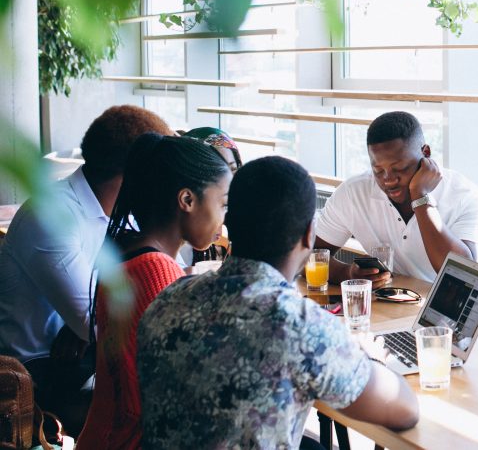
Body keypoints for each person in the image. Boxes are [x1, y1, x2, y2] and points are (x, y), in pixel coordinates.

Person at [137, 156, 419, 449]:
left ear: (229, 224)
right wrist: (369, 356)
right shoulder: (299, 326)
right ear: (309, 235)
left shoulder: (167, 299)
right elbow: (405, 411)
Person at [0, 105, 173, 432]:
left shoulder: (122, 214)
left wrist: (86, 320)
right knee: (161, 416)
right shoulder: (51, 214)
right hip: (36, 379)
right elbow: (108, 328)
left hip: (84, 363)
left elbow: (109, 313)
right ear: (136, 173)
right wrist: (90, 320)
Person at [77, 134, 231, 450]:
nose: (224, 218)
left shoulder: (129, 254)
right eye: (223, 203)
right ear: (187, 200)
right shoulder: (157, 274)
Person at [316, 111, 478, 285]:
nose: (389, 180)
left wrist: (421, 198)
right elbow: (305, 254)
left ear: (426, 153)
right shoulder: (354, 192)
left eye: (400, 168)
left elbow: (466, 276)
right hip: (385, 308)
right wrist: (347, 273)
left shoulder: (465, 195)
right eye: (378, 170)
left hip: (440, 310)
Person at [179, 126, 241, 263]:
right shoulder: (173, 247)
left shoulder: (217, 243)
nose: (227, 180)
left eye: (233, 169)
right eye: (217, 171)